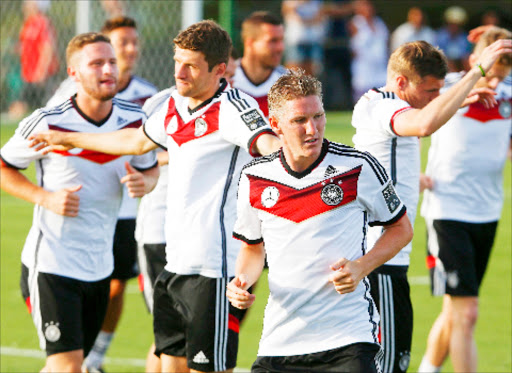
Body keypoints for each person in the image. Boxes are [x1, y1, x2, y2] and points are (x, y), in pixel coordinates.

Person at [28, 20, 281, 373]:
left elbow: (272, 147)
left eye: (191, 65)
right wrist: (69, 138)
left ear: (219, 70)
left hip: (215, 268)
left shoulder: (234, 109)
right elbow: (134, 142)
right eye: (177, 61)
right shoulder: (173, 104)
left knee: (209, 368)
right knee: (170, 363)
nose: (179, 72)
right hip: (173, 262)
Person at [226, 68, 413, 372]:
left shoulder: (357, 166)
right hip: (280, 341)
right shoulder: (254, 177)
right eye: (299, 121)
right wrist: (242, 281)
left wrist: (361, 266)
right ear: (275, 125)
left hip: (348, 338)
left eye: (318, 116)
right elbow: (252, 247)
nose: (312, 129)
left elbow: (401, 228)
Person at [0, 32, 159, 373]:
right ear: (73, 73)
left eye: (112, 62)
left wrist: (143, 183)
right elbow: (2, 167)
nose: (108, 70)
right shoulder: (48, 121)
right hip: (52, 265)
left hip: (99, 267)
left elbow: (152, 171)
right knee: (68, 367)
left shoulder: (136, 121)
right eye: (97, 63)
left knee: (74, 364)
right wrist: (44, 197)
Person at [351, 38, 512, 373]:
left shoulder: (389, 104)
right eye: (430, 90)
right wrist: (476, 72)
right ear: (400, 83)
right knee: (389, 365)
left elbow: (426, 114)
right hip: (379, 255)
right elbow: (424, 124)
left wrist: (463, 96)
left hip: (383, 253)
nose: (436, 98)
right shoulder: (383, 107)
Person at [44, 16, 159, 373]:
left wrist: (148, 177)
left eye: (133, 43)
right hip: (71, 228)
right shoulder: (66, 98)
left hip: (126, 212)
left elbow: (154, 153)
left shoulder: (146, 95)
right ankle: (88, 358)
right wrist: (48, 195)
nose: (129, 50)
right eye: (121, 43)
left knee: (116, 287)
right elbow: (45, 142)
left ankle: (95, 355)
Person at [418, 26, 512, 373]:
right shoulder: (447, 86)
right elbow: (406, 117)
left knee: (456, 310)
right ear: (476, 61)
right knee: (467, 312)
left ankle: (428, 369)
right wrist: (411, 170)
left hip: (487, 212)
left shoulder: (508, 93)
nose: (495, 84)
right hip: (447, 211)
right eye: (492, 74)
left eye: (503, 77)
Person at [232, 11, 286, 118]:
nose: (280, 48)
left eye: (281, 40)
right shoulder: (225, 79)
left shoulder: (288, 83)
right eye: (273, 41)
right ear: (250, 43)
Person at [18, 0, 59, 110]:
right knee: (21, 106)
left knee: (47, 106)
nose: (25, 5)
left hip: (41, 74)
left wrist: (42, 71)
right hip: (28, 74)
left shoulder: (42, 23)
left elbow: (48, 48)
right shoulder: (27, 23)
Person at [348, 0, 389, 102]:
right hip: (364, 68)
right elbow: (354, 46)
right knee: (363, 101)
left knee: (382, 100)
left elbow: (386, 42)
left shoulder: (379, 23)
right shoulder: (355, 23)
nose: (368, 8)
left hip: (380, 67)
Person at [281, 0, 327, 76]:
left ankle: (308, 88)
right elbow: (286, 11)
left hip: (314, 39)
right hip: (295, 40)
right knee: (293, 70)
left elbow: (320, 16)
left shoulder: (318, 2)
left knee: (312, 71)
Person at [436, 6, 472, 72]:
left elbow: (466, 57)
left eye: (457, 24)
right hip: (443, 67)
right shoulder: (440, 36)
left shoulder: (464, 37)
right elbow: (438, 55)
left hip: (461, 67)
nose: (454, 26)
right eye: (452, 23)